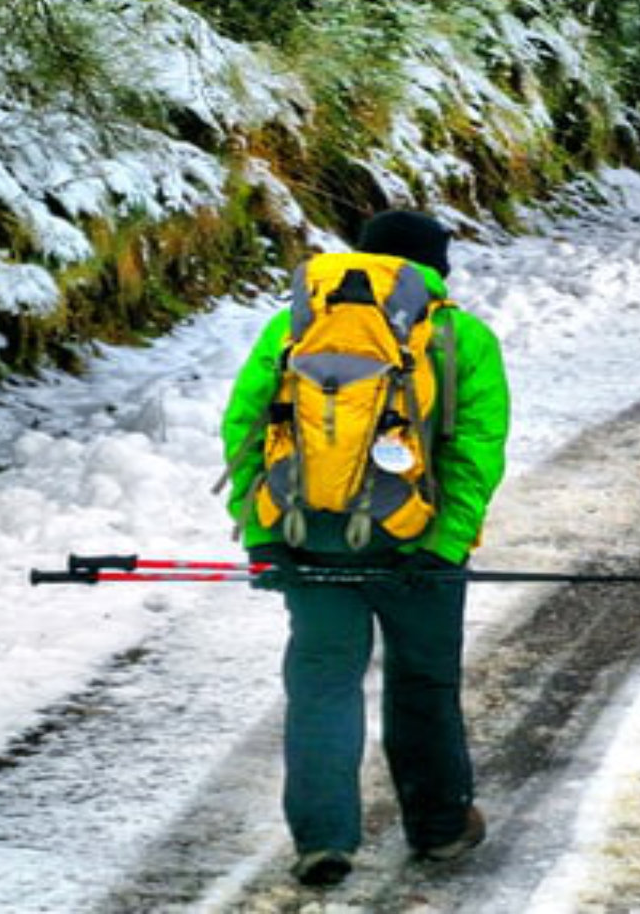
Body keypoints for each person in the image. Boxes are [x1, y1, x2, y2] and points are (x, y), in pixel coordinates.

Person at [220, 209, 510, 887]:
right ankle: (439, 830)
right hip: (414, 539)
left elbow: (244, 424)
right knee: (423, 685)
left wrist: (262, 534)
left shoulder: (294, 325)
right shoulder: (460, 336)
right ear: (434, 268)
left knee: (322, 682)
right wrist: (444, 543)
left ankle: (324, 840)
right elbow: (475, 449)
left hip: (305, 536)